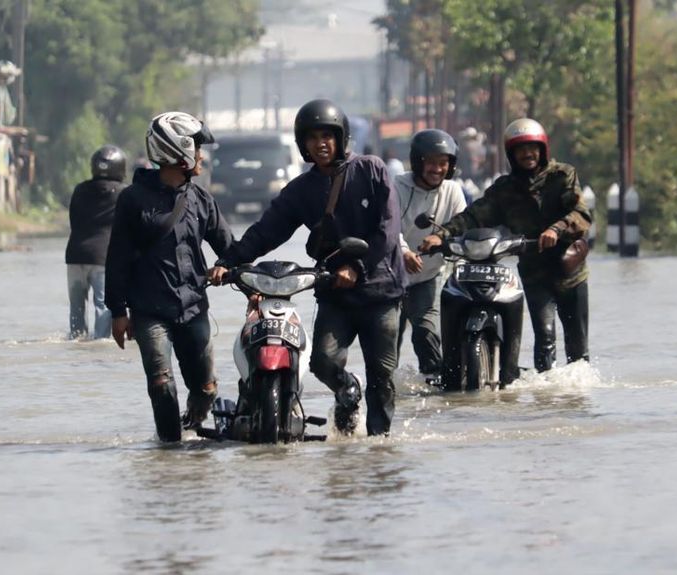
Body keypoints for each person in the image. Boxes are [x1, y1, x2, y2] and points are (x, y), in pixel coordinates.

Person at [210, 99, 406, 437]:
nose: (321, 144)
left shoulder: (372, 170)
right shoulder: (300, 191)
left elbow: (388, 230)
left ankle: (379, 447)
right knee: (323, 363)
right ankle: (347, 389)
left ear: (341, 138)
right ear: (303, 145)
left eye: (327, 136)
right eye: (313, 138)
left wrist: (357, 268)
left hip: (381, 292)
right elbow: (266, 231)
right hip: (335, 293)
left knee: (383, 377)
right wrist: (228, 262)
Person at [421, 118, 592, 379]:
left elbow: (581, 213)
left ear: (542, 149)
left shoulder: (563, 176)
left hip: (569, 271)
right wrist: (441, 235)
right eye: (520, 149)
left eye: (532, 148)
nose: (527, 154)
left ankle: (576, 399)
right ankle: (547, 398)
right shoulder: (504, 189)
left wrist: (555, 230)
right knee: (545, 341)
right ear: (511, 154)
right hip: (534, 274)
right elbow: (472, 216)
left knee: (578, 349)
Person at [105, 112, 234, 443]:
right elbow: (116, 257)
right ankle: (170, 451)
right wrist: (118, 312)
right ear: (179, 151)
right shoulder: (132, 200)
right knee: (161, 383)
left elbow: (230, 247)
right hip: (149, 311)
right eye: (198, 148)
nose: (202, 156)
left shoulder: (202, 199)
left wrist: (242, 276)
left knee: (205, 390)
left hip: (193, 307)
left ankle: (191, 427)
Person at [395, 129, 467, 386]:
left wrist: (443, 240)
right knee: (389, 340)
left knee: (426, 332)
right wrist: (403, 252)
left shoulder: (453, 191)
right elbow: (387, 227)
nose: (436, 169)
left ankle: (435, 384)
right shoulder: (397, 186)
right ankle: (384, 390)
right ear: (418, 161)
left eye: (442, 163)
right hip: (391, 277)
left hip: (427, 276)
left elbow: (461, 226)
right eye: (431, 162)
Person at [65, 145, 127, 339]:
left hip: (75, 255)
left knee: (77, 307)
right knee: (103, 305)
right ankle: (100, 343)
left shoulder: (80, 189)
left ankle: (77, 339)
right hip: (103, 258)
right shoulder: (123, 193)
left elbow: (73, 220)